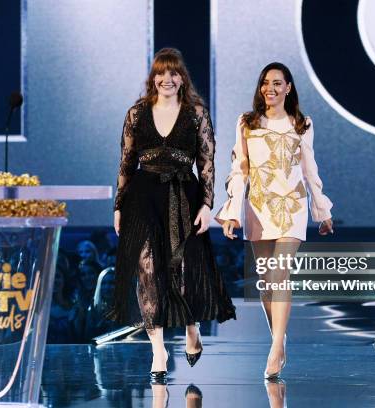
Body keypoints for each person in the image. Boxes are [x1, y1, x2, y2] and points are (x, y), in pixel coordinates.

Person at [110, 47, 236, 381]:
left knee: (182, 273)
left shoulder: (195, 112)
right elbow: (125, 162)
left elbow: (207, 162)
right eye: (161, 73)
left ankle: (192, 327)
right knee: (148, 270)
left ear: (182, 78)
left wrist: (208, 204)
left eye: (173, 73)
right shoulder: (136, 113)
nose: (167, 79)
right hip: (143, 198)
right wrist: (119, 206)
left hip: (184, 196)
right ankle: (159, 351)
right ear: (153, 78)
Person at [215, 62, 333, 379]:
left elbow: (310, 170)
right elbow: (239, 169)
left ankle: (276, 347)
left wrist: (322, 210)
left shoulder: (302, 124)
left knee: (280, 274)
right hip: (258, 208)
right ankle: (279, 339)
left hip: (293, 206)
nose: (271, 88)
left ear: (289, 88)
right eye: (266, 83)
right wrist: (231, 212)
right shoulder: (247, 123)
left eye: (278, 83)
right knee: (267, 282)